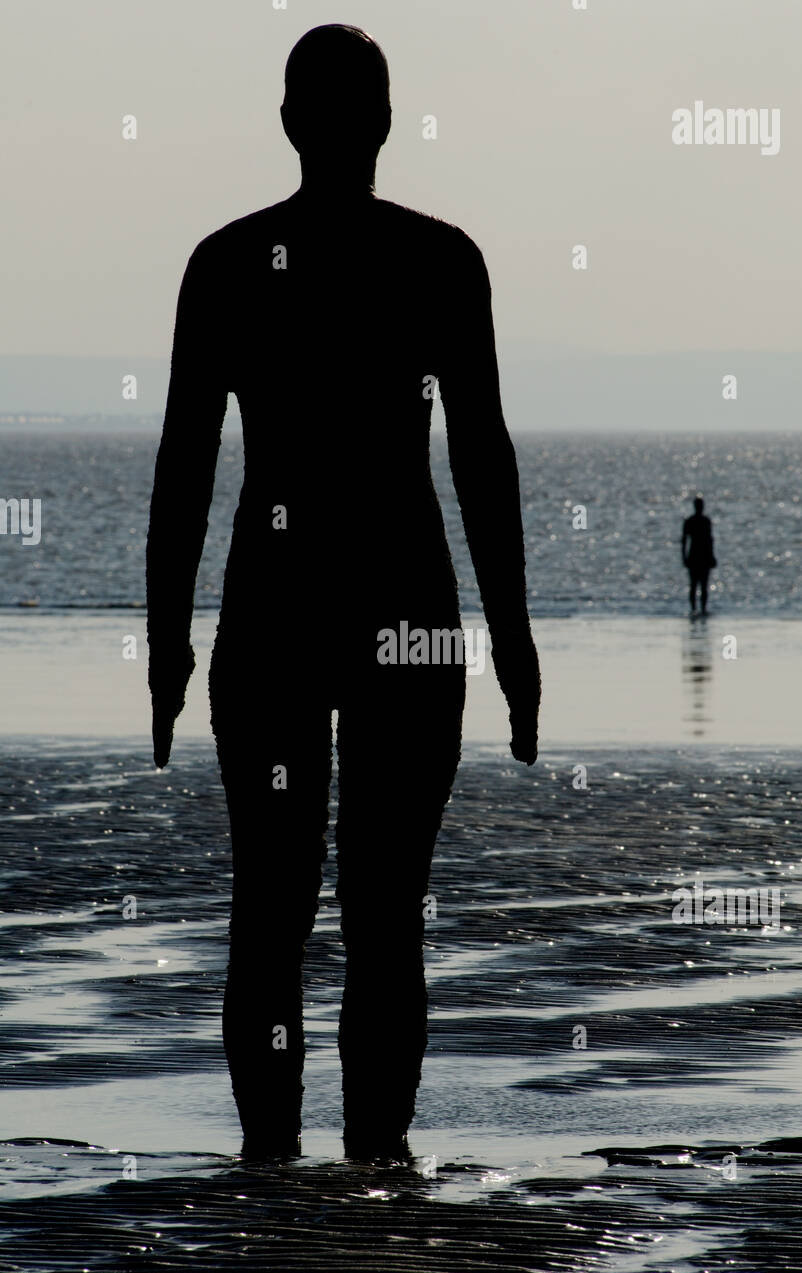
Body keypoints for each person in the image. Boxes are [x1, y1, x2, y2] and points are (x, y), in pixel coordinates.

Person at [145, 24, 540, 1162]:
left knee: (271, 908)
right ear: (380, 124)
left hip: (272, 611)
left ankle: (276, 1159)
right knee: (381, 913)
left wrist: (167, 640)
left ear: (288, 123)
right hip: (404, 609)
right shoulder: (437, 260)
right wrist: (511, 641)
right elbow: (481, 461)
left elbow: (182, 468)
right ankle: (373, 1159)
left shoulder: (227, 263)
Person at [681, 495, 715, 614]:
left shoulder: (703, 521)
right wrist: (684, 557)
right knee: (695, 585)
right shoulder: (692, 521)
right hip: (696, 556)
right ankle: (695, 609)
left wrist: (712, 556)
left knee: (701, 586)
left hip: (701, 556)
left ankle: (701, 609)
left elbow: (710, 540)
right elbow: (684, 540)